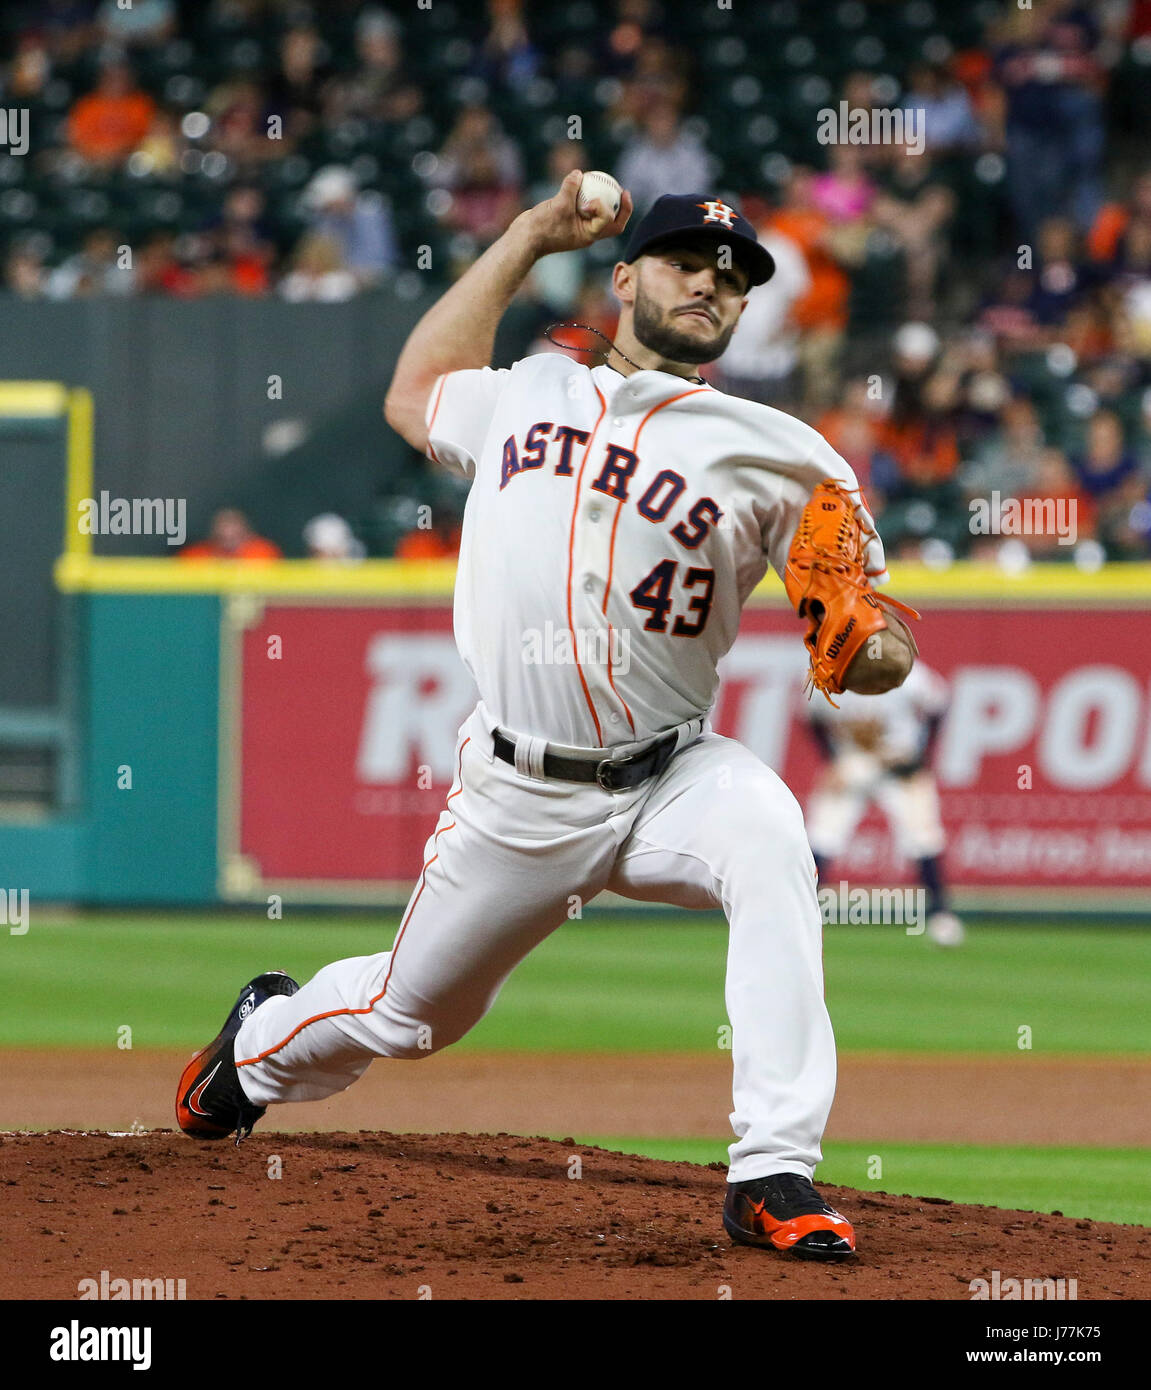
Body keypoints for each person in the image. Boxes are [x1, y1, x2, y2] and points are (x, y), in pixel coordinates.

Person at [176, 173, 919, 1262]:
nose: (709, 283)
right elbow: (414, 389)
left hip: (673, 777)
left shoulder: (786, 454)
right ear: (623, 278)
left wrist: (867, 647)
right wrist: (526, 235)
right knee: (407, 1017)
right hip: (520, 791)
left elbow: (882, 649)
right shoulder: (525, 389)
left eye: (731, 277)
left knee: (770, 840)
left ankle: (769, 1169)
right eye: (684, 262)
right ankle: (255, 1048)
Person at [804, 663, 964, 948]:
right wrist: (830, 760)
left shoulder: (904, 672)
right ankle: (801, 915)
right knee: (821, 835)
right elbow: (811, 716)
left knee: (923, 836)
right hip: (852, 761)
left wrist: (921, 758)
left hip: (897, 760)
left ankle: (941, 914)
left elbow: (938, 705)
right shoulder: (829, 672)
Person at [179, 508, 281, 561]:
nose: (228, 545)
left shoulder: (263, 553)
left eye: (235, 538)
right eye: (222, 539)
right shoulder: (196, 557)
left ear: (247, 535)